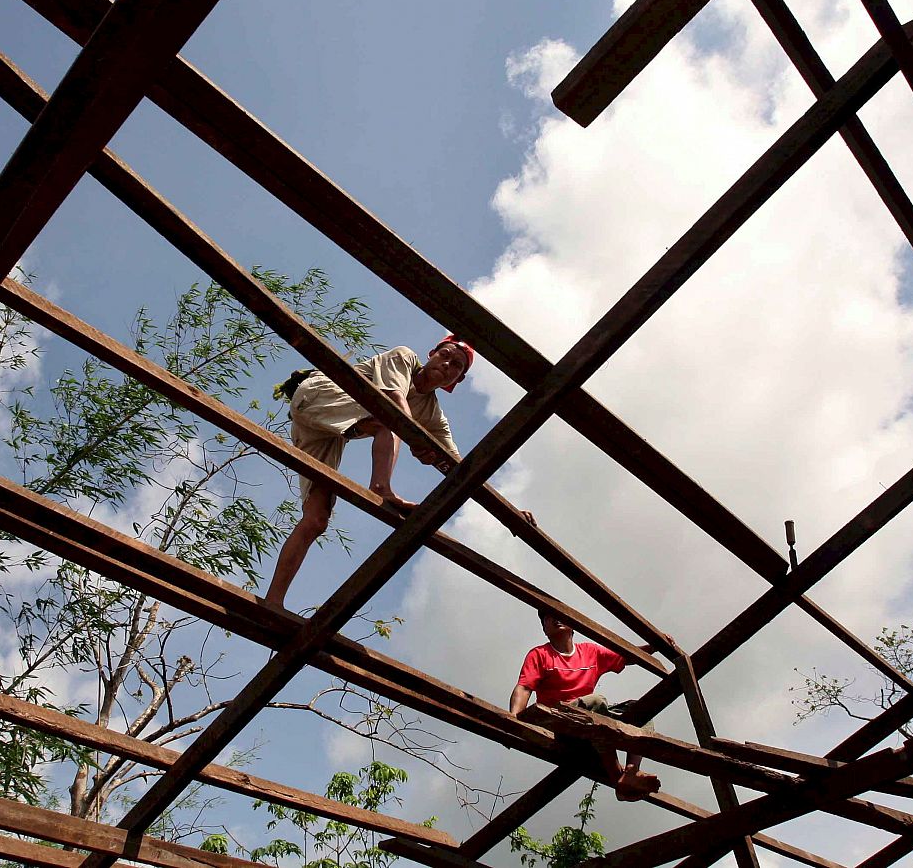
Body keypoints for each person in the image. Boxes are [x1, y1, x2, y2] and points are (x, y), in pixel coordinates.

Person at [263, 337, 473, 607]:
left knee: (316, 519)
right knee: (393, 418)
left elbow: (459, 465)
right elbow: (396, 401)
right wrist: (419, 442)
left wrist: (507, 507)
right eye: (444, 355)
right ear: (431, 353)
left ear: (458, 378)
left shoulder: (432, 414)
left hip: (328, 431)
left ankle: (273, 600)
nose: (446, 364)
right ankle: (381, 488)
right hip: (318, 395)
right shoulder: (404, 355)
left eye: (456, 365)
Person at [511, 609, 669, 801]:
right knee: (596, 701)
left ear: (573, 624)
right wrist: (514, 721)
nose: (556, 618)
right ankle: (617, 778)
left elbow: (626, 656)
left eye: (560, 614)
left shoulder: (589, 652)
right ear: (544, 628)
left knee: (642, 710)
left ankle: (631, 771)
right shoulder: (540, 654)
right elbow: (524, 688)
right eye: (548, 616)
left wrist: (655, 646)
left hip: (590, 720)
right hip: (559, 721)